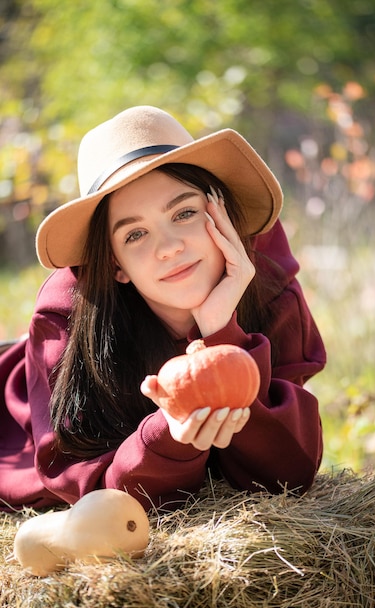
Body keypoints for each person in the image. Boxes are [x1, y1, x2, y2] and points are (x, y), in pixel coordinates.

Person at [0, 105, 326, 512]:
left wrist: (221, 330)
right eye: (135, 234)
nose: (169, 247)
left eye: (184, 213)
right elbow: (95, 498)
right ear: (115, 263)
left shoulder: (267, 282)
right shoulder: (64, 321)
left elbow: (290, 471)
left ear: (219, 212)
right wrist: (169, 434)